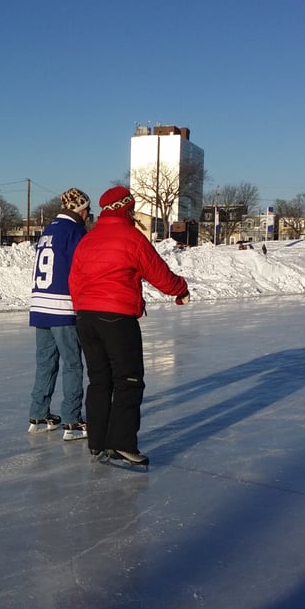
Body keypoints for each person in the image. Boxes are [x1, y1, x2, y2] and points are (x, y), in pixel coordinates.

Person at [68, 186, 190, 467]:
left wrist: (83, 308)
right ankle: (121, 443)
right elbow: (157, 272)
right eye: (132, 207)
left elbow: (74, 279)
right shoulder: (131, 237)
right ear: (126, 208)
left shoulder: (88, 239)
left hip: (86, 317)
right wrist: (180, 289)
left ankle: (97, 442)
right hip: (117, 318)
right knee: (129, 379)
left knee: (99, 380)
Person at [28, 188, 91, 441]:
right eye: (87, 209)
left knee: (46, 362)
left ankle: (39, 413)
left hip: (40, 304)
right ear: (80, 209)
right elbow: (83, 268)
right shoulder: (75, 232)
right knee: (73, 364)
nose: (88, 214)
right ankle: (72, 420)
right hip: (62, 307)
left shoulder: (49, 230)